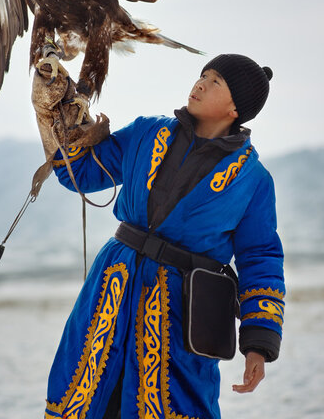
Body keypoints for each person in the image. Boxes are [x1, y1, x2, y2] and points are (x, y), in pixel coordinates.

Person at [34, 53, 285, 419]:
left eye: (215, 81)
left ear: (236, 108)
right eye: (203, 74)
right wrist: (57, 110)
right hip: (112, 288)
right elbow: (82, 173)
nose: (200, 83)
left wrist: (258, 343)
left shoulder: (253, 180)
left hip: (180, 311)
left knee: (175, 404)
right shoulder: (147, 132)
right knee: (87, 396)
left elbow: (260, 259)